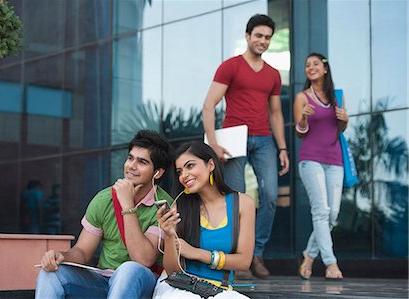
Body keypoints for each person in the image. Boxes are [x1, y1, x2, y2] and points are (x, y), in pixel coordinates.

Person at [35, 130, 175, 298]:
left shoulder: (164, 205)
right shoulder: (104, 199)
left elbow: (143, 259)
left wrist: (127, 204)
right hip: (103, 281)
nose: (131, 166)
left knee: (128, 269)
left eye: (142, 162)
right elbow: (82, 252)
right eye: (130, 158)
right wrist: (61, 256)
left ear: (157, 172)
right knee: (50, 274)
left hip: (143, 283)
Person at [202, 14, 290, 278]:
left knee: (272, 196)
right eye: (259, 36)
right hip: (233, 140)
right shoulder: (230, 67)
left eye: (267, 38)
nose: (263, 41)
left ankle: (257, 253)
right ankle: (239, 257)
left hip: (264, 140)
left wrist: (283, 148)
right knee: (237, 200)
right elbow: (208, 106)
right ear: (248, 36)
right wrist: (214, 145)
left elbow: (276, 114)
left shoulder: (273, 74)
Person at [153, 141, 255, 298]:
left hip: (218, 290)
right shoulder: (178, 207)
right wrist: (169, 235)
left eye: (190, 166)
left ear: (211, 165)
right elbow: (172, 271)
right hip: (179, 288)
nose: (184, 175)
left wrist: (196, 253)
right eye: (179, 171)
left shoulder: (243, 204)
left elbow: (243, 261)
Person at [294, 53, 348, 280]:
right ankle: (331, 263)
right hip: (311, 160)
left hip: (335, 160)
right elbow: (299, 132)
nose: (311, 67)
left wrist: (345, 119)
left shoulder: (337, 96)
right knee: (321, 211)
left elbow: (340, 129)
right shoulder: (302, 97)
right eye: (307, 65)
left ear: (325, 69)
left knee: (332, 214)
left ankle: (309, 254)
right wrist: (304, 119)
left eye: (315, 64)